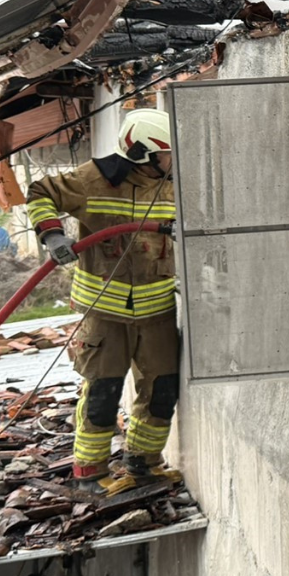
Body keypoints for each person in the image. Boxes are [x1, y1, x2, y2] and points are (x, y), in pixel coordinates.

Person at [26, 109, 178, 489]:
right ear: (143, 153)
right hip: (104, 312)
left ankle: (143, 463)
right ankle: (90, 474)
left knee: (161, 390)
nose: (175, 159)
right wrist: (53, 236)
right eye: (168, 153)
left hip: (158, 310)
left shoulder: (174, 184)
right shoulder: (93, 179)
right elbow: (41, 192)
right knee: (103, 392)